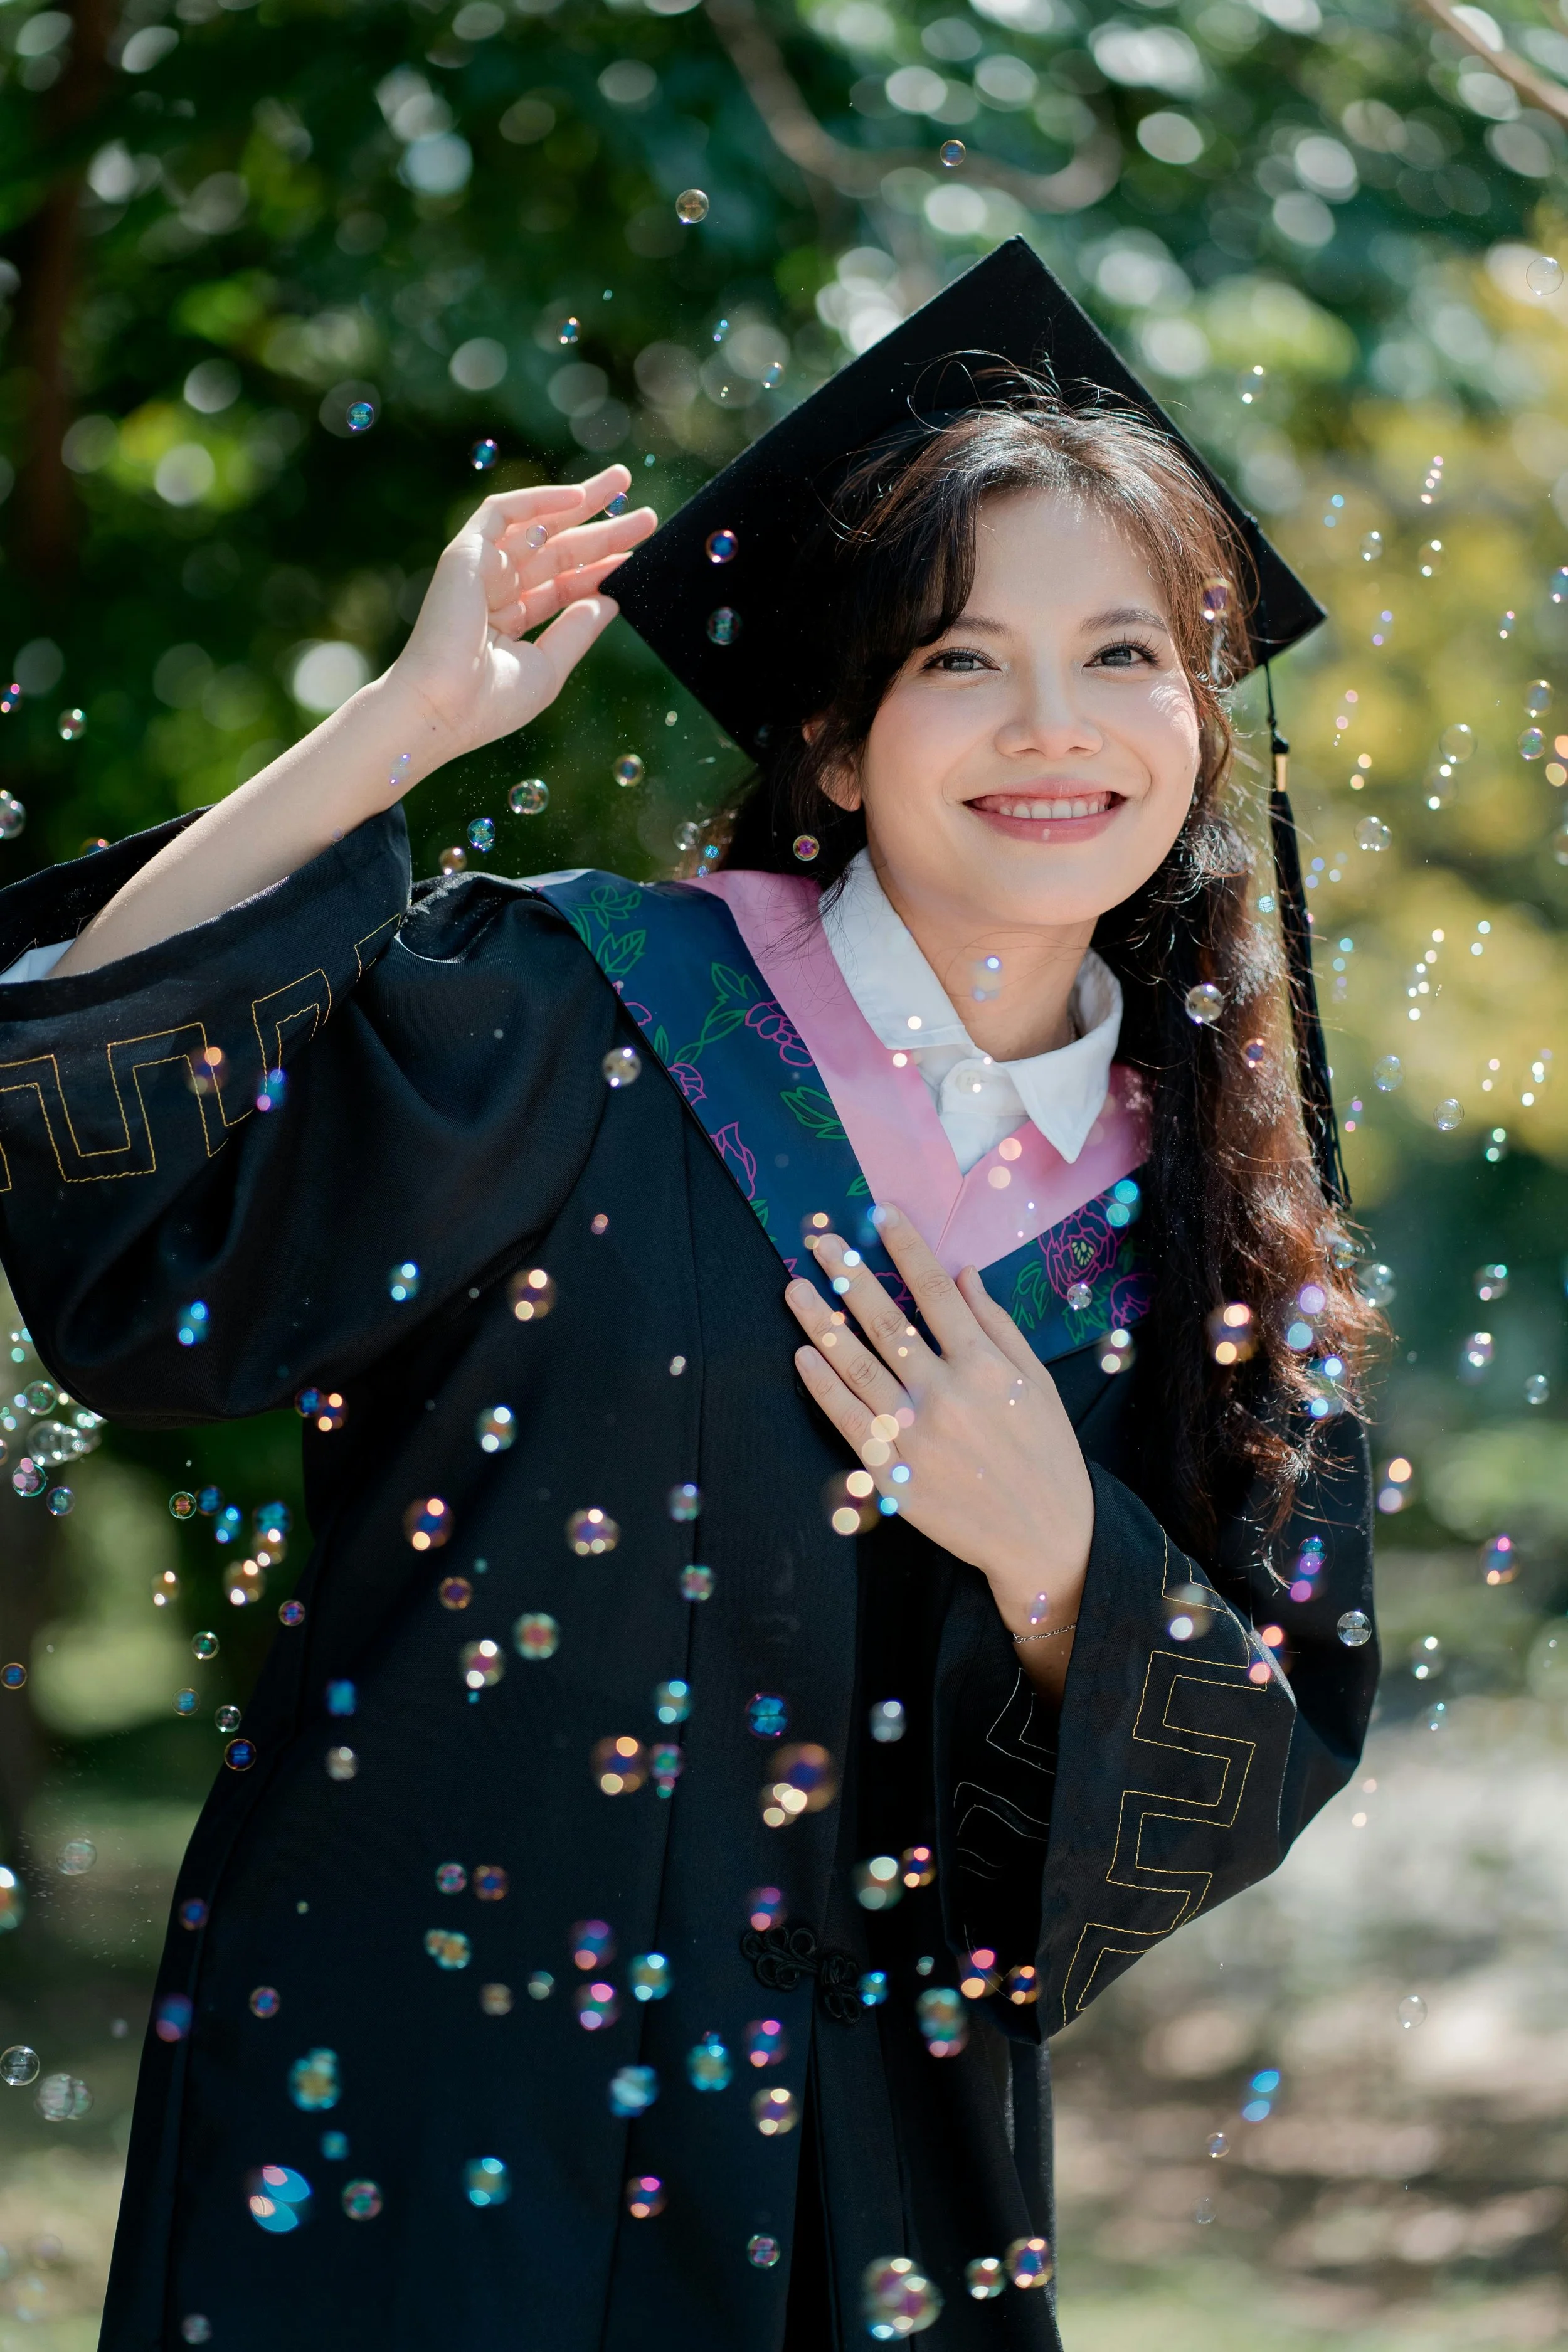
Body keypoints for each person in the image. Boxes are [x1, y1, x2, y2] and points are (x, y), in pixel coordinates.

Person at [0, 243, 1377, 2349]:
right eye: (954, 663)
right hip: (406, 2097)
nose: (1051, 729)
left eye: (1125, 654)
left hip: (867, 2157)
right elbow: (135, 1189)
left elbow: (1243, 1766)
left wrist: (1057, 1555)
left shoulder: (1217, 1214)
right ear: (828, 740)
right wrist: (402, 728)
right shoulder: (577, 1010)